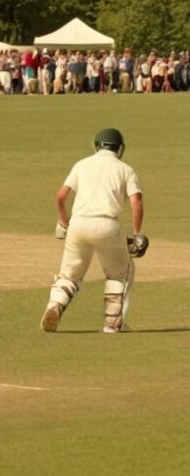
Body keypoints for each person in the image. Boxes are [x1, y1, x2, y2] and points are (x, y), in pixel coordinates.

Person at [41, 128, 145, 334]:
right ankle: (112, 324)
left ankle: (54, 305)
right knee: (118, 275)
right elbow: (137, 202)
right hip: (108, 226)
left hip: (78, 224)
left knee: (69, 275)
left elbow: (61, 196)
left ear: (96, 145)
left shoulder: (82, 164)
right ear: (120, 148)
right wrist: (137, 234)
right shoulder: (125, 169)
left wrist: (63, 222)